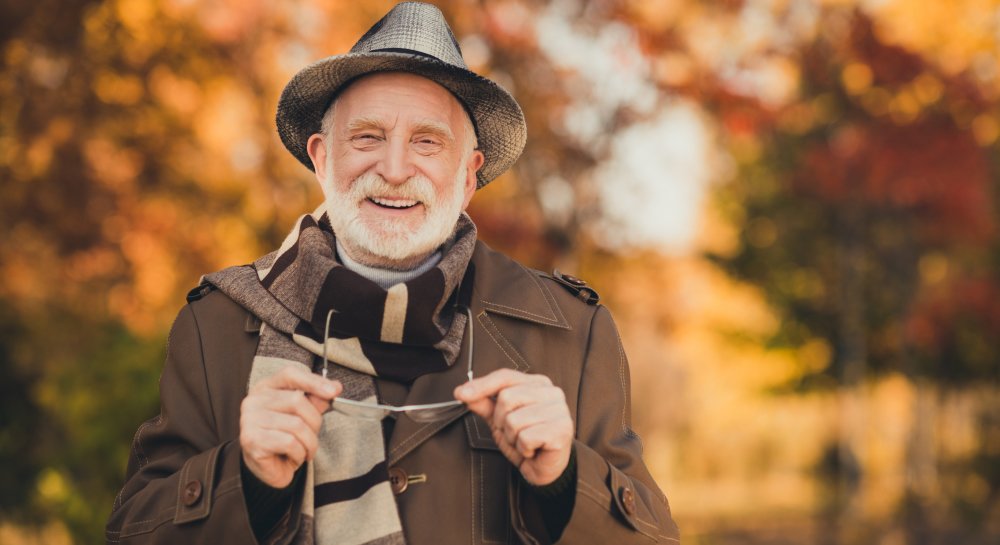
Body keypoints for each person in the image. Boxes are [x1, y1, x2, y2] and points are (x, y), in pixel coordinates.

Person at [106, 3, 679, 544]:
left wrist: (562, 478)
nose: (396, 168)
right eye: (367, 137)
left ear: (468, 176)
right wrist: (246, 477)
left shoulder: (572, 331)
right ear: (323, 159)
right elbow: (133, 530)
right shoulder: (216, 325)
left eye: (427, 143)